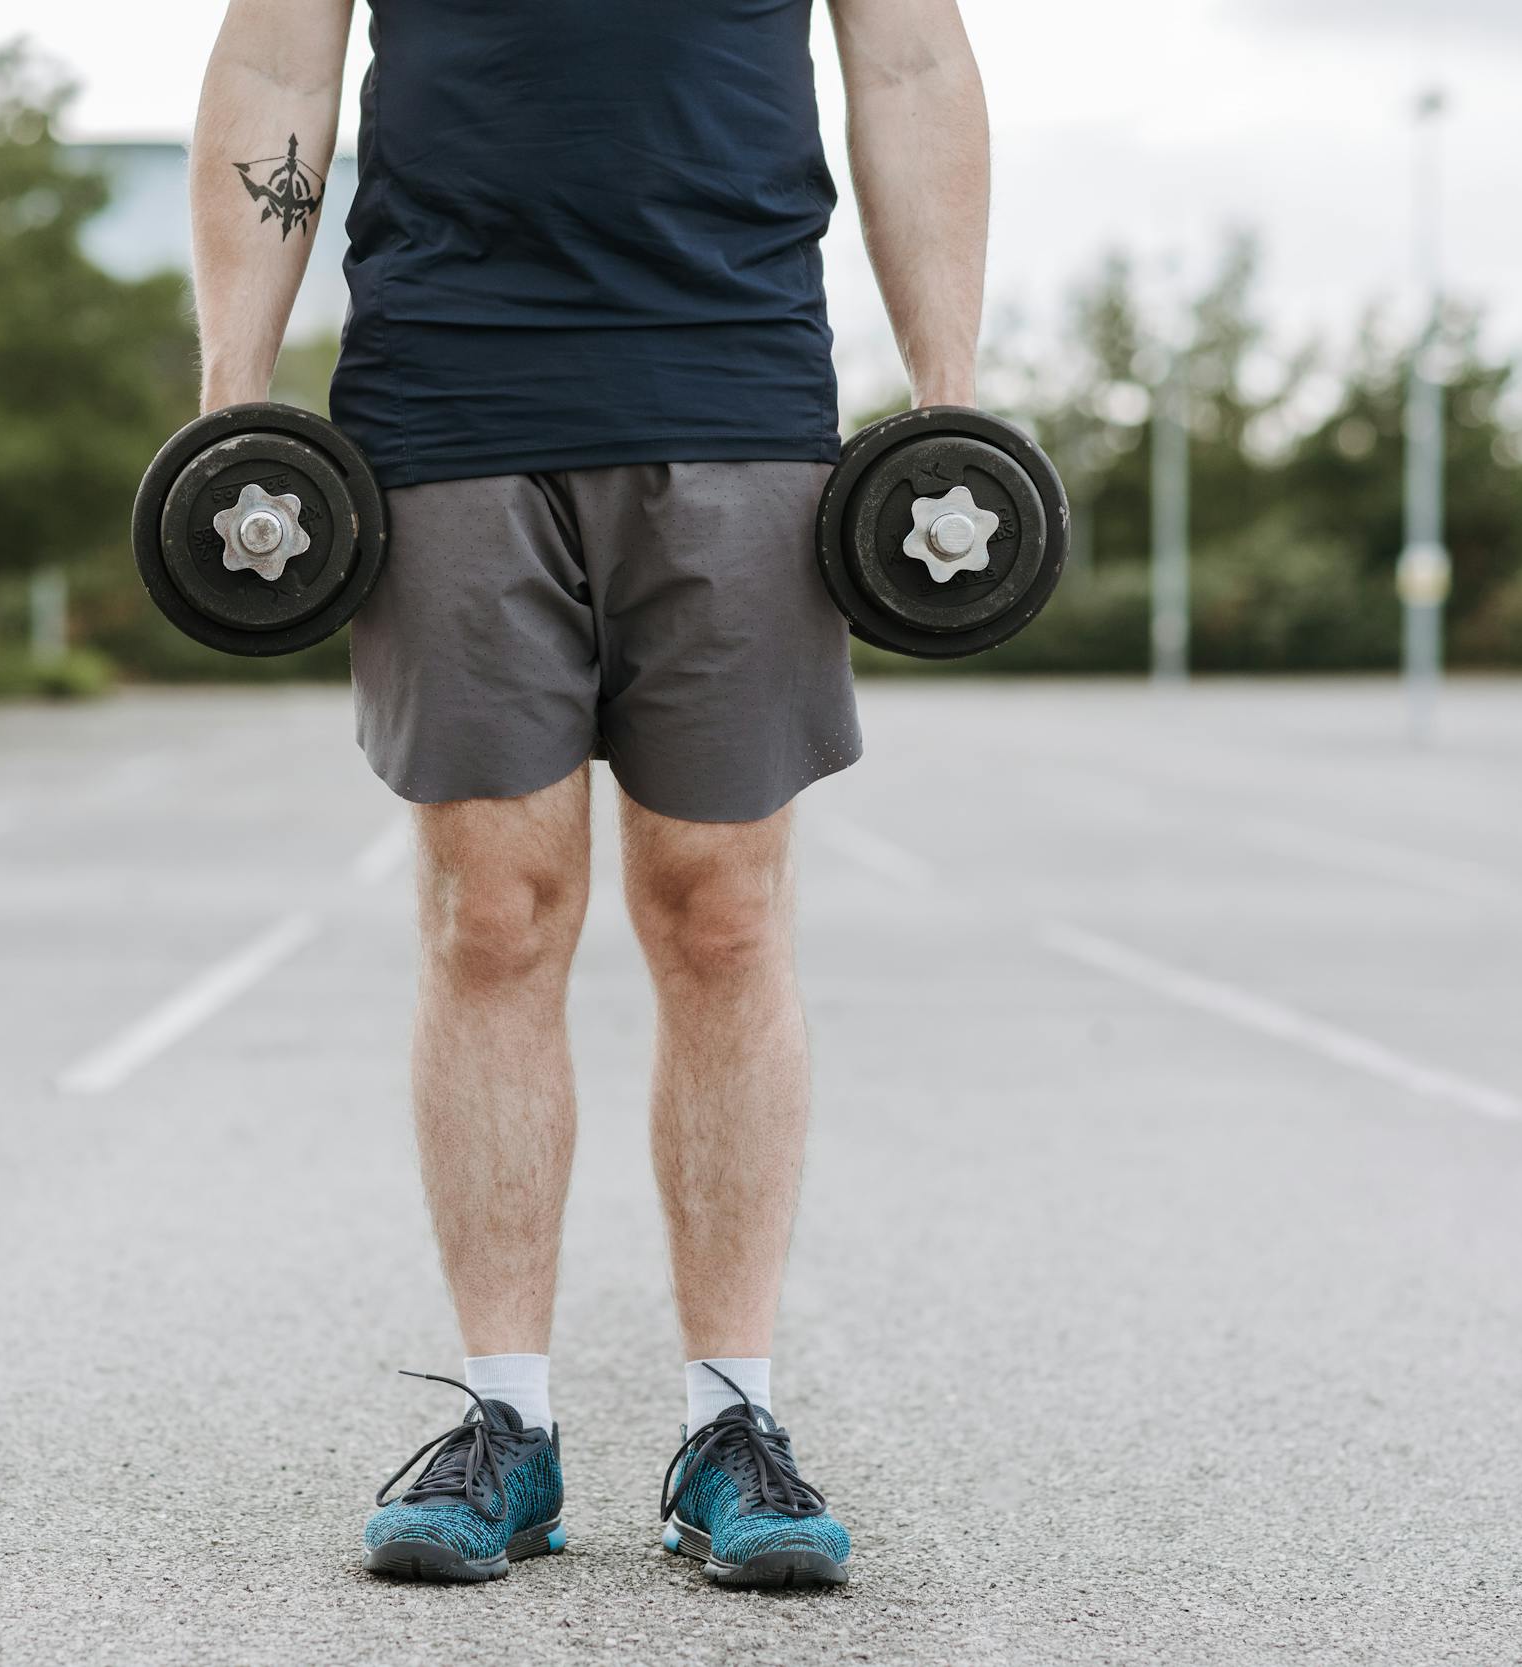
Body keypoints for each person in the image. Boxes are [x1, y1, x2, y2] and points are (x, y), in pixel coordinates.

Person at [190, 0, 988, 1589]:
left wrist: (946, 389)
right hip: (448, 400)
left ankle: (731, 1427)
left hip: (736, 387)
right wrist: (234, 388)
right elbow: (276, 61)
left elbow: (908, 62)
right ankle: (505, 1427)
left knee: (722, 910)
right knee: (492, 913)